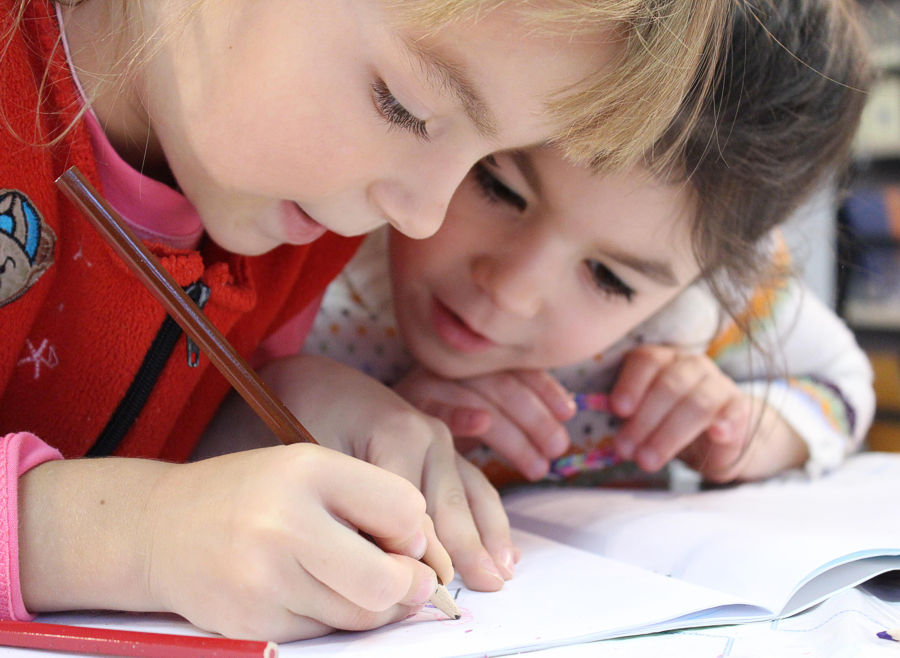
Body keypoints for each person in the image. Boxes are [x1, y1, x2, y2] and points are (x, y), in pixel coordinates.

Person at [0, 0, 731, 642]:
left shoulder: (297, 219)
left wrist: (274, 414)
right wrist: (146, 538)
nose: (422, 215)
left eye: (487, 156)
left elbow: (125, 431)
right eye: (403, 108)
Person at [302, 0, 875, 490]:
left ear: (709, 276)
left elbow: (844, 383)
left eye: (610, 279)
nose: (512, 290)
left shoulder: (714, 310)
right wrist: (343, 419)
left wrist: (751, 430)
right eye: (498, 188)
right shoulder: (318, 232)